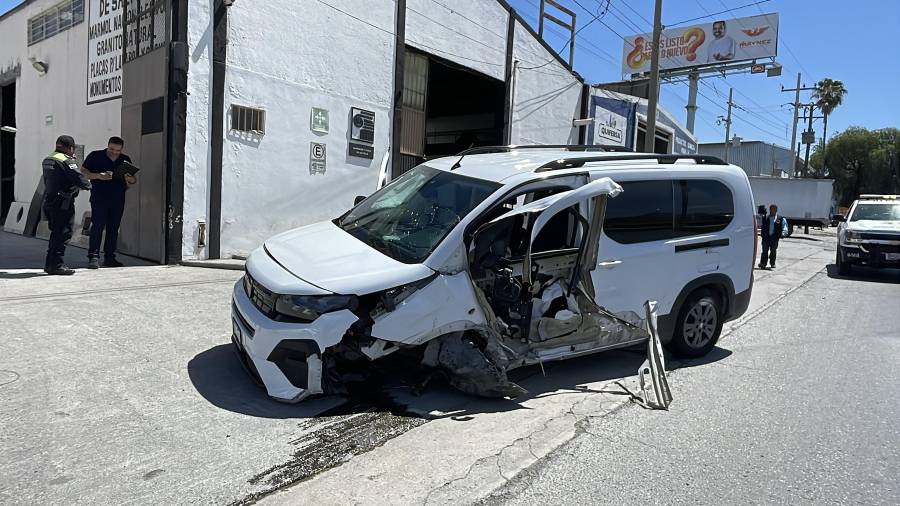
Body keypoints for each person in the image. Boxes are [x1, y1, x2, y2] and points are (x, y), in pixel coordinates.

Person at [81, 136, 135, 268]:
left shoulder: (125, 159)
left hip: (118, 198)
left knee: (113, 228)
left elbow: (133, 181)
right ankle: (93, 257)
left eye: (118, 150)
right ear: (108, 145)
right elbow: (83, 172)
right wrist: (99, 176)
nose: (114, 152)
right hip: (99, 198)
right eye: (112, 149)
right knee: (97, 227)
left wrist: (129, 178)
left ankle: (110, 257)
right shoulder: (95, 156)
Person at [42, 135, 91, 275]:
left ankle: (50, 264)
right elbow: (81, 180)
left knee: (55, 233)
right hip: (63, 203)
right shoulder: (67, 160)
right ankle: (57, 265)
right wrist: (89, 184)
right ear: (70, 148)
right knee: (63, 233)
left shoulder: (48, 159)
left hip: (50, 201)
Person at [759, 204, 789, 270]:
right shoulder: (766, 218)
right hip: (766, 237)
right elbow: (760, 223)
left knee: (773, 251)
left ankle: (772, 263)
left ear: (776, 210)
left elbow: (785, 227)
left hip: (775, 238)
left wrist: (784, 233)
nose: (771, 211)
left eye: (773, 209)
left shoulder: (780, 219)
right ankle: (763, 263)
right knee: (764, 251)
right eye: (770, 209)